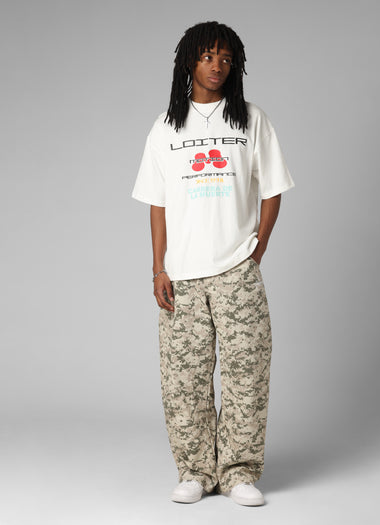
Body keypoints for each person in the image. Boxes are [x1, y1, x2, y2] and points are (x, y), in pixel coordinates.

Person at [131, 20, 295, 506]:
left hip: (236, 270)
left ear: (235, 65)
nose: (217, 65)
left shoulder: (251, 120)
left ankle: (239, 472)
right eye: (207, 56)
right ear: (189, 62)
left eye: (226, 57)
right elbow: (157, 203)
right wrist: (158, 268)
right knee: (184, 379)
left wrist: (257, 249)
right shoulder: (166, 127)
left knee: (248, 372)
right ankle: (196, 472)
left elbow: (273, 189)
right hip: (181, 274)